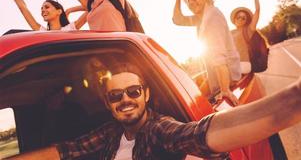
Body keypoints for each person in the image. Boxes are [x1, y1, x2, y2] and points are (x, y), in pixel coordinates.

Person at [9, 62, 301, 160]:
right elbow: (63, 151)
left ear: (146, 94)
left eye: (133, 91)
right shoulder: (111, 133)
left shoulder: (158, 129)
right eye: (115, 95)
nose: (125, 99)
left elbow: (199, 133)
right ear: (108, 103)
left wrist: (293, 100)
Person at [172, 0, 241, 106]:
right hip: (215, 77)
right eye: (187, 1)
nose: (191, 3)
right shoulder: (200, 17)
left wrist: (225, 90)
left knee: (194, 104)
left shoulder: (212, 16)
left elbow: (218, 56)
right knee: (190, 97)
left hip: (226, 79)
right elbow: (177, 20)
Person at [230, 0, 260, 73]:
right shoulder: (229, 32)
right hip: (233, 65)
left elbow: (257, 10)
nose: (240, 19)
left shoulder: (248, 30)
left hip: (244, 65)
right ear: (234, 19)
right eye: (238, 17)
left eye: (243, 18)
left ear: (246, 21)